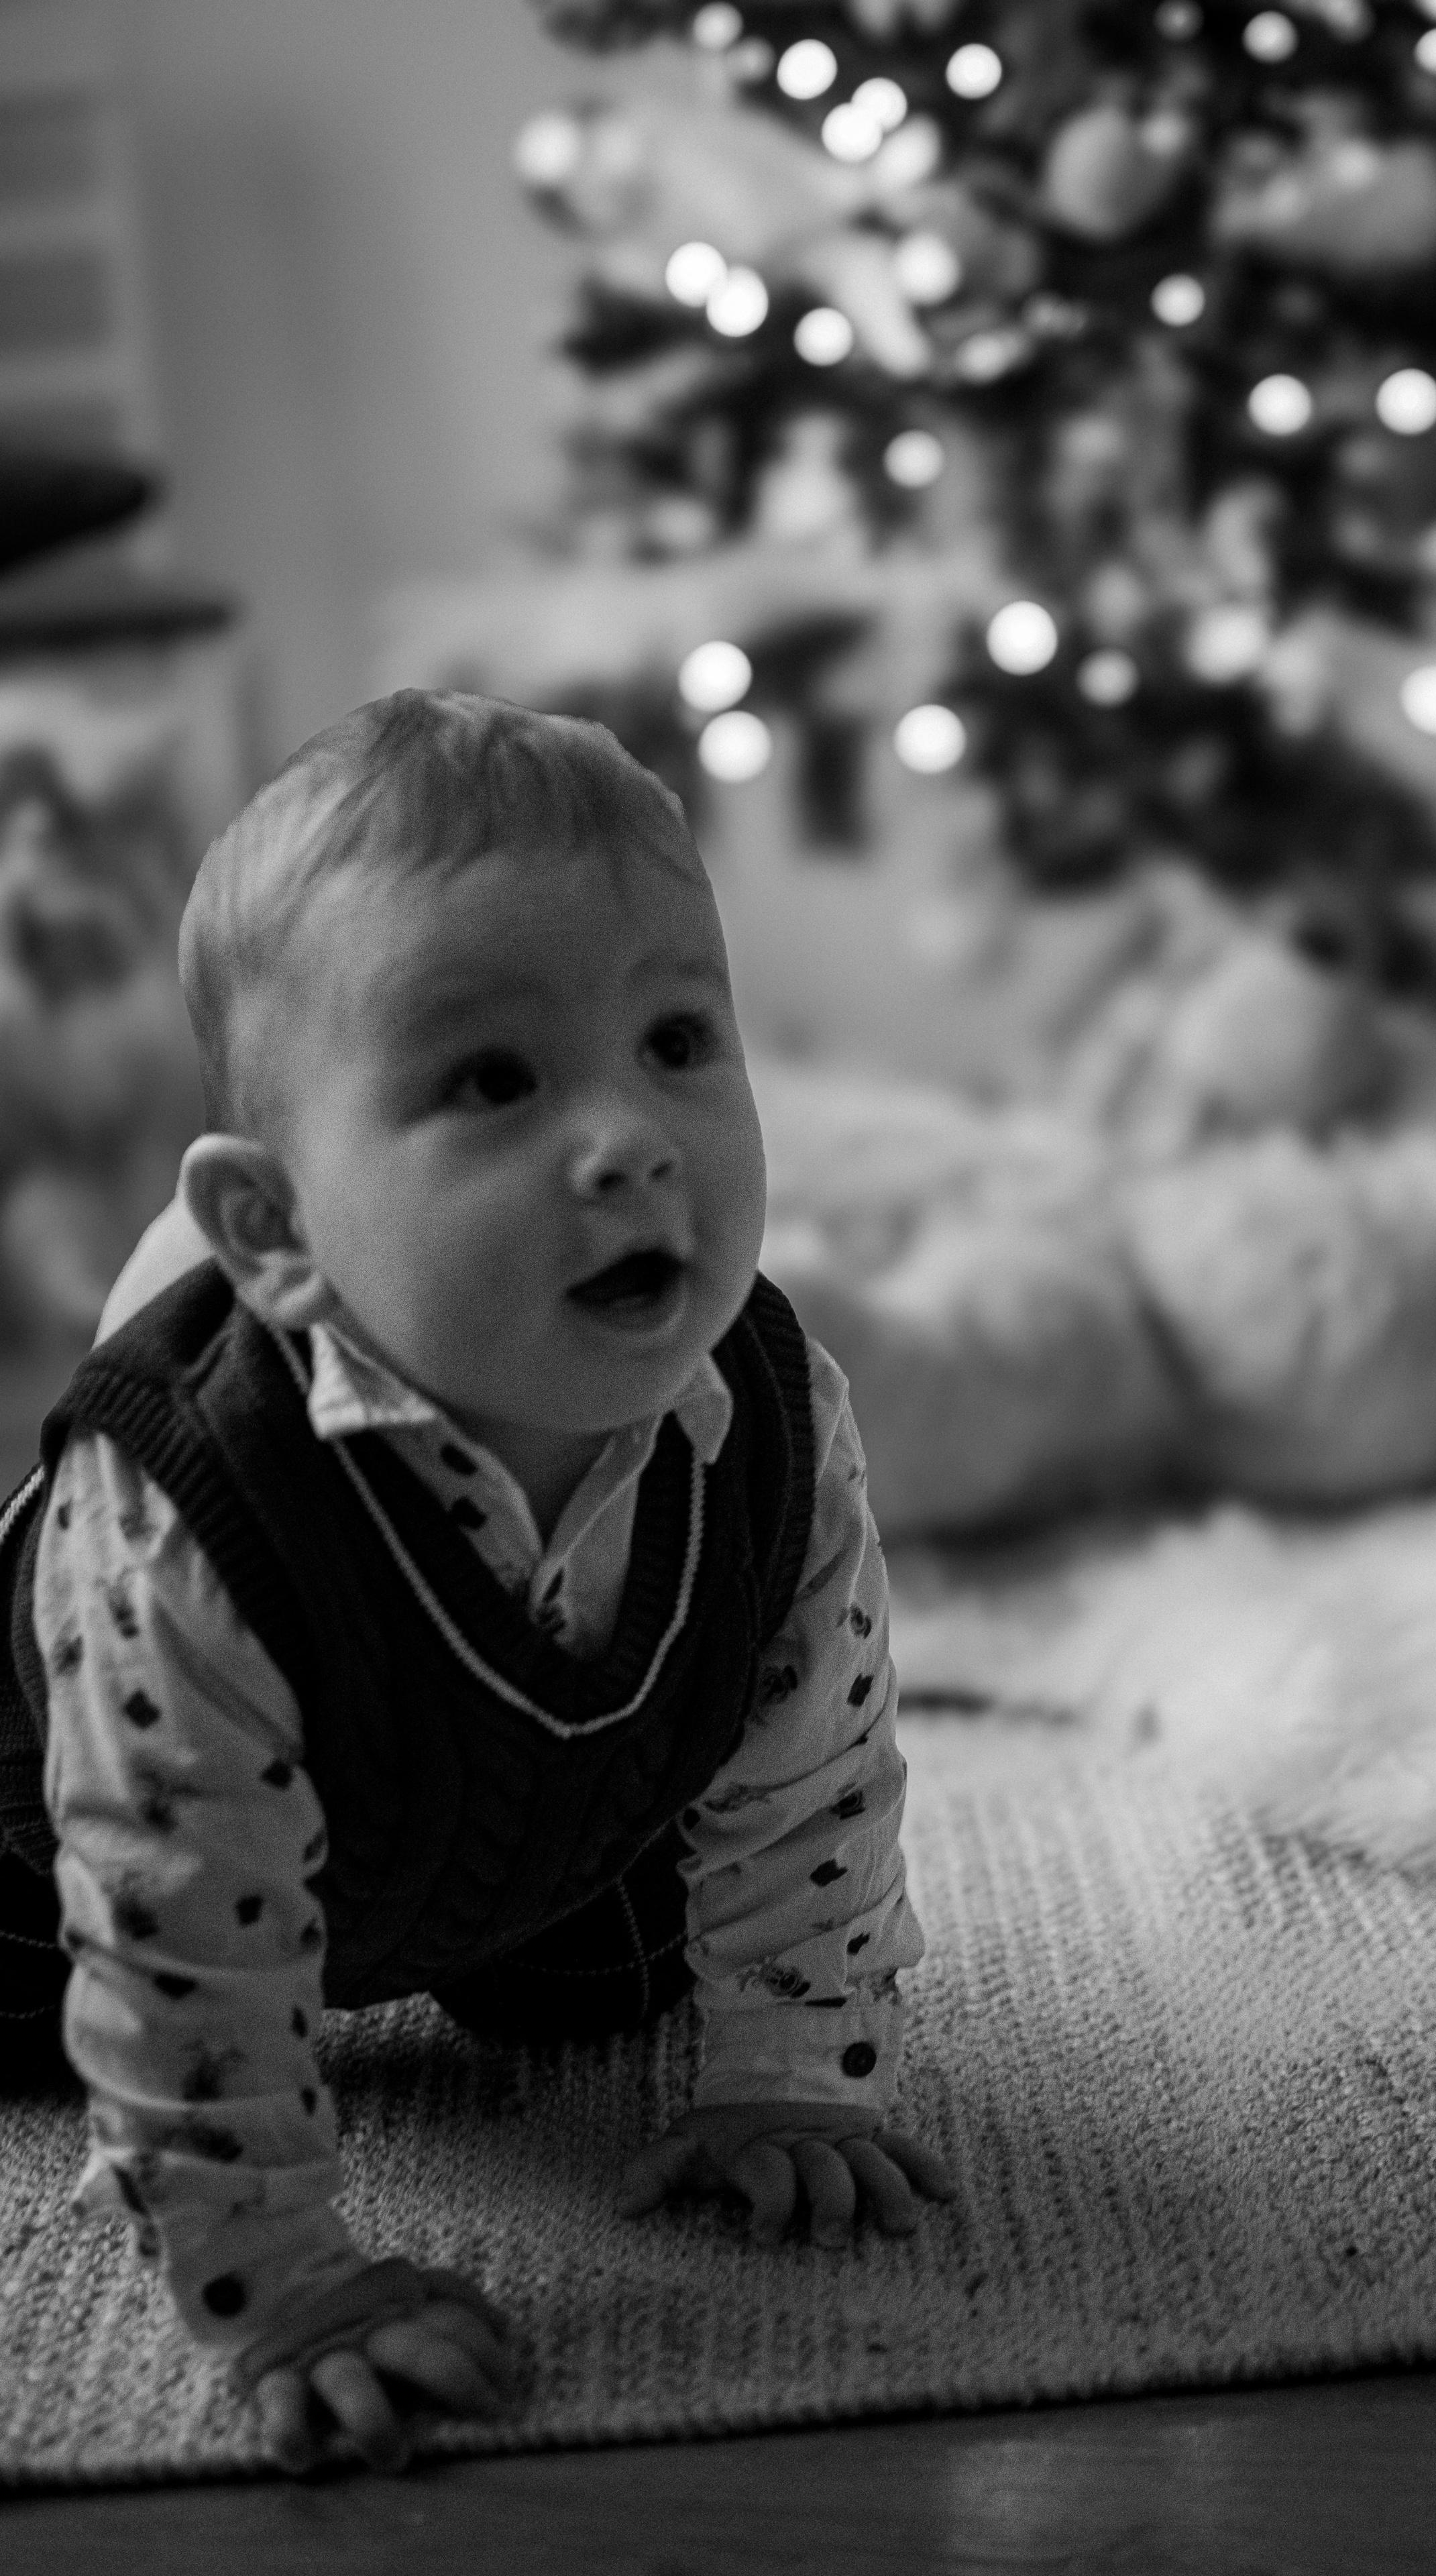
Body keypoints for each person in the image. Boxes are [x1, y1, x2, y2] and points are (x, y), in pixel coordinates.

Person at [0, 689, 952, 2476]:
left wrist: (784, 2070)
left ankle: (528, 1931)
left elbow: (812, 1756)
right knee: (78, 1999)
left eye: (680, 1040)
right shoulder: (190, 1502)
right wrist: (278, 2281)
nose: (632, 1138)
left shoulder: (765, 1409)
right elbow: (175, 1913)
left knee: (629, 1956)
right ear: (275, 1231)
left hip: (476, 1821)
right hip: (61, 1841)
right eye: (497, 1082)